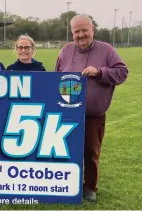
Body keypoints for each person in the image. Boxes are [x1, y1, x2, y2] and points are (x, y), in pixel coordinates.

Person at [55, 14, 128, 202]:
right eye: (76, 31)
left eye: (84, 30)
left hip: (93, 115)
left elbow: (122, 72)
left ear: (92, 29)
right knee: (66, 150)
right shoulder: (65, 51)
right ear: (72, 33)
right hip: (67, 112)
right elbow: (56, 78)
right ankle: (67, 184)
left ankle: (90, 187)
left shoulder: (106, 50)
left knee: (90, 152)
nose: (81, 35)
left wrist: (100, 71)